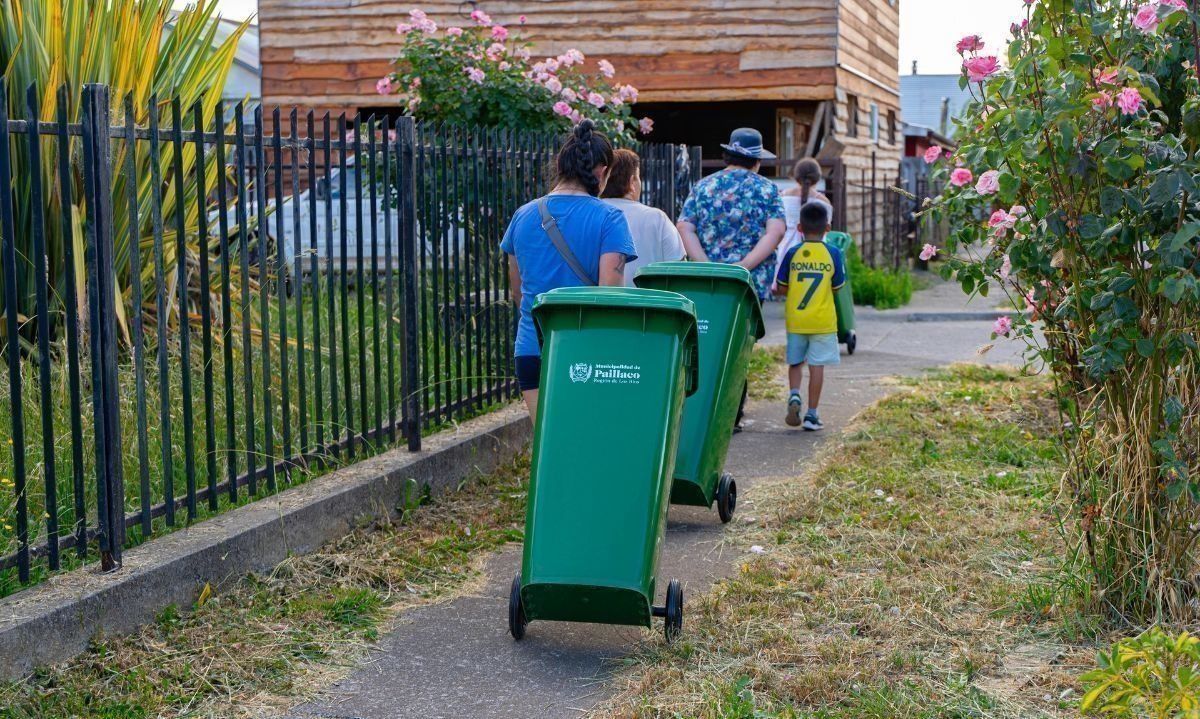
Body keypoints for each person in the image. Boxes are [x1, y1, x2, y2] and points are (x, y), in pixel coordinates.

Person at [501, 120, 637, 418]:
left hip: (531, 346)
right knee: (583, 438)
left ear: (561, 166)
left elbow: (518, 290)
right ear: (602, 172)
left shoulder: (523, 215)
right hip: (586, 348)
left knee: (548, 441)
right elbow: (609, 297)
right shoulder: (610, 218)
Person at [677, 127, 786, 299]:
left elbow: (684, 227)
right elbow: (777, 231)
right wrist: (744, 265)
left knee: (713, 323)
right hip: (752, 278)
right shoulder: (767, 189)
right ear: (757, 161)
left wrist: (707, 266)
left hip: (710, 280)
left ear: (728, 155)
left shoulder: (703, 186)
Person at [773, 202, 845, 431]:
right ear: (828, 227)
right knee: (817, 366)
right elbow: (837, 287)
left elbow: (782, 287)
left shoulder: (793, 253)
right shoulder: (833, 253)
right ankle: (812, 415)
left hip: (796, 320)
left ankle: (794, 395)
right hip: (823, 321)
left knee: (795, 362)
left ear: (800, 227)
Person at [600, 149, 685, 285]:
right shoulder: (657, 218)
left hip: (600, 303)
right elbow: (680, 270)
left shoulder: (592, 215)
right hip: (652, 303)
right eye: (639, 177)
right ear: (632, 181)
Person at [774, 158, 835, 290]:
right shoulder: (824, 202)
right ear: (818, 178)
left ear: (795, 177)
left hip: (786, 252)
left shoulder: (782, 198)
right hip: (816, 254)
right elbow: (826, 229)